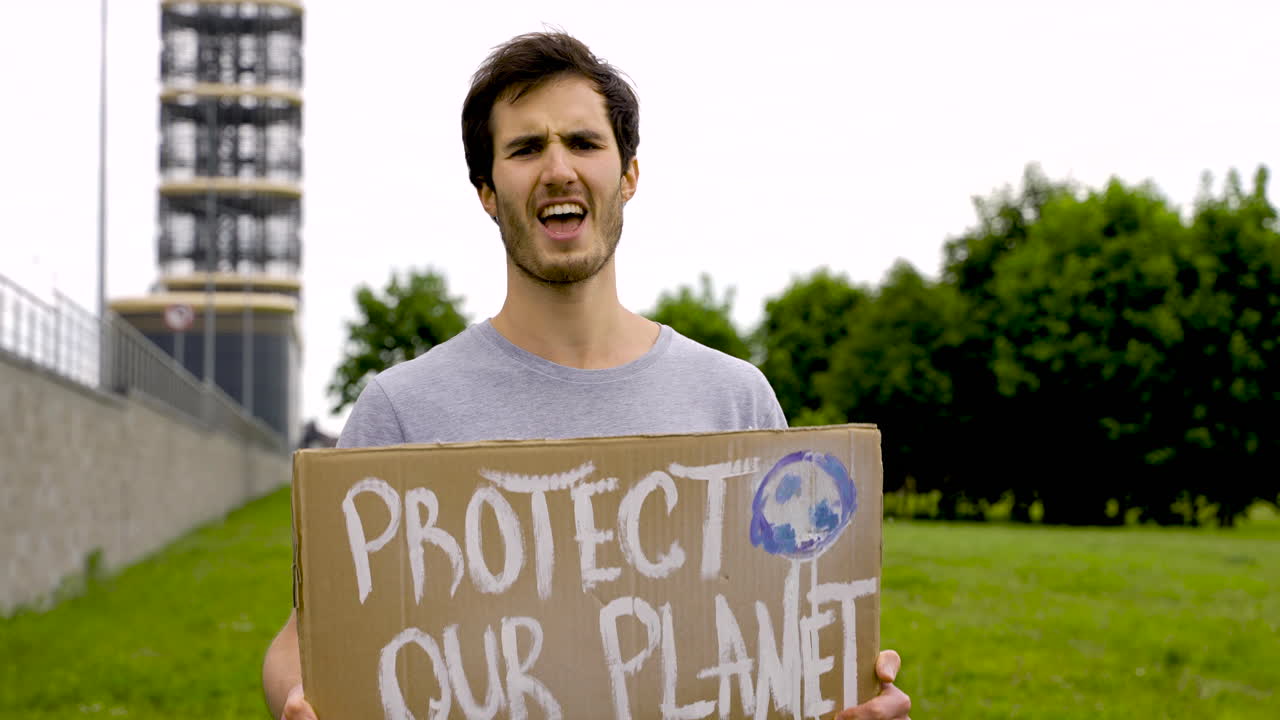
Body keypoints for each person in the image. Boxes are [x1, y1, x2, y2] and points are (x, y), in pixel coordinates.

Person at [263, 31, 911, 720]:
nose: (557, 169)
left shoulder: (734, 397)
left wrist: (844, 694)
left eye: (583, 142)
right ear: (487, 191)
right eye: (524, 148)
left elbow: (786, 635)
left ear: (628, 175)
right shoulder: (401, 409)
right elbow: (305, 641)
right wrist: (297, 701)